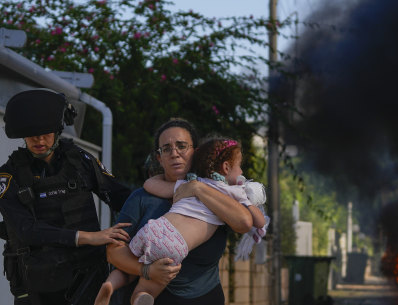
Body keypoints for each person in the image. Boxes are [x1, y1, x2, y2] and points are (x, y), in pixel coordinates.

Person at [96, 137, 266, 305]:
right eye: (240, 167)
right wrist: (250, 202)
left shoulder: (191, 183)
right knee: (150, 285)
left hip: (155, 228)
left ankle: (110, 285)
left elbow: (151, 185)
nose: (242, 172)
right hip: (175, 244)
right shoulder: (235, 193)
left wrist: (160, 179)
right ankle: (141, 296)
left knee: (131, 265)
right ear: (227, 167)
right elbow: (257, 221)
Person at [0, 89, 132, 305]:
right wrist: (89, 237)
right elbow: (26, 230)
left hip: (88, 279)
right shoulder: (8, 175)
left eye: (46, 131)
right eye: (31, 132)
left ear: (58, 129)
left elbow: (120, 196)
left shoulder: (81, 161)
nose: (38, 139)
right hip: (38, 286)